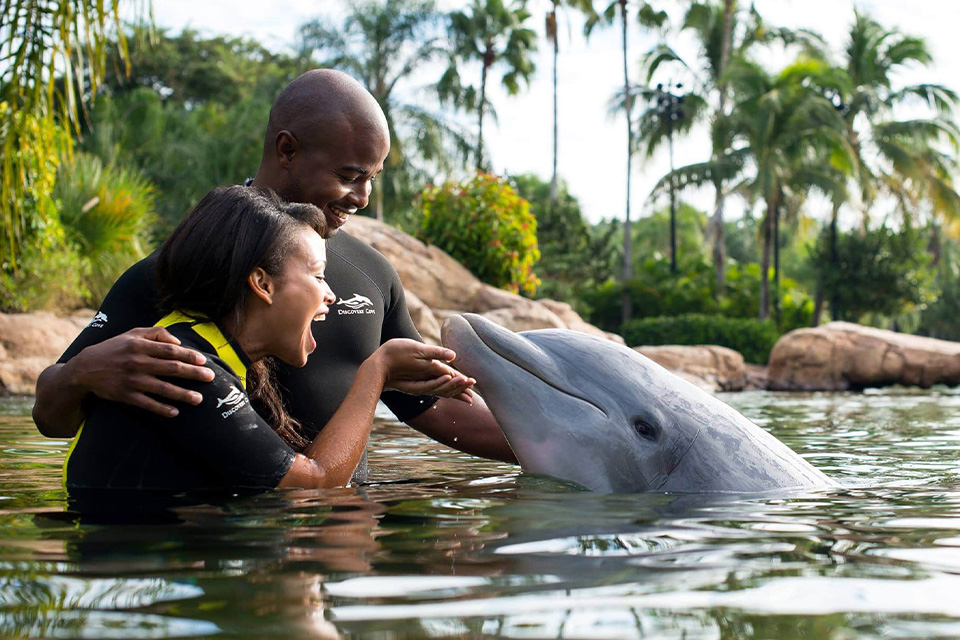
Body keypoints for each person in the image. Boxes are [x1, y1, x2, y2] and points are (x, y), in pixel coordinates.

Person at [33, 69, 517, 471]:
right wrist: (79, 375)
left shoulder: (370, 273)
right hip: (223, 542)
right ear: (287, 150)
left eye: (372, 178)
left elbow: (431, 407)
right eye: (349, 176)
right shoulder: (174, 272)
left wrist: (565, 454)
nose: (363, 198)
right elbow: (50, 417)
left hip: (339, 538)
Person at [65, 186, 475, 491]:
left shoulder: (207, 347)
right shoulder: (188, 367)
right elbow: (315, 484)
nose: (330, 293)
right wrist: (376, 371)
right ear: (262, 283)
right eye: (317, 277)